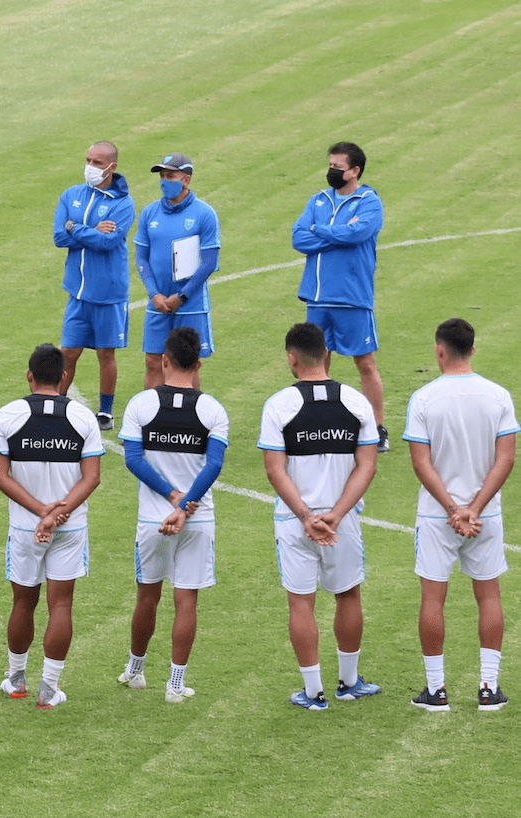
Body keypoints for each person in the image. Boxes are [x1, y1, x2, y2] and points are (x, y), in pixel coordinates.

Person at [259, 322, 381, 711]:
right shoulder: (357, 402)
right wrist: (337, 515)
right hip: (344, 523)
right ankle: (348, 682)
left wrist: (308, 516)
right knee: (348, 593)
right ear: (327, 355)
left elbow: (275, 470)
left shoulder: (279, 405)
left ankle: (313, 693)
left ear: (291, 358)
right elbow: (368, 466)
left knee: (301, 603)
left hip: (294, 523)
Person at [405, 318, 516, 712]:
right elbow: (506, 459)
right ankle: (489, 688)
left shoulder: (423, 399)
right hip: (486, 517)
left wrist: (453, 509)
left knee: (433, 597)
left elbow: (421, 463)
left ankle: (436, 691)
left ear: (440, 350)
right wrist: (475, 508)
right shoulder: (499, 396)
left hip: (438, 517)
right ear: (473, 348)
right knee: (489, 596)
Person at [0, 343, 103, 709]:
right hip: (69, 527)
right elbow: (92, 478)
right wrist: (57, 514)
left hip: (25, 528)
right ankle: (49, 690)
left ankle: (16, 680)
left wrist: (40, 513)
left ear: (29, 375)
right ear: (65, 376)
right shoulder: (84, 419)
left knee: (23, 602)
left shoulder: (7, 415)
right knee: (61, 604)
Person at [116, 328, 229, 704]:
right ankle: (176, 685)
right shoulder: (213, 409)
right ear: (198, 364)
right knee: (186, 600)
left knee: (147, 597)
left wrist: (171, 498)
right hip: (197, 519)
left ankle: (135, 671)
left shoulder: (140, 405)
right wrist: (186, 506)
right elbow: (213, 465)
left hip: (153, 520)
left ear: (164, 361)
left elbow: (133, 459)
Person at [291, 141, 388, 451]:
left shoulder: (369, 201)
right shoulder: (318, 200)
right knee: (315, 363)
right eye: (330, 165)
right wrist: (333, 234)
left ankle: (378, 427)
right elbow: (298, 237)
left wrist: (319, 231)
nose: (331, 171)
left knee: (365, 364)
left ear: (354, 171)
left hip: (352, 298)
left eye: (337, 167)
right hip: (318, 297)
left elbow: (357, 234)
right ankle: (318, 422)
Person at [53, 141, 135, 429]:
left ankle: (106, 412)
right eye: (88, 160)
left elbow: (108, 242)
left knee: (105, 353)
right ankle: (56, 403)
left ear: (112, 167)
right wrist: (88, 231)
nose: (90, 167)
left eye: (97, 163)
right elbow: (58, 238)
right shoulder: (71, 195)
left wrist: (75, 227)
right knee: (69, 352)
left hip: (109, 292)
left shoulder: (123, 203)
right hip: (77, 291)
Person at [135, 153, 222, 389]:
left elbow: (209, 262)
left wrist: (181, 296)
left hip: (190, 303)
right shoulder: (149, 213)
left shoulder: (204, 214)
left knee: (187, 364)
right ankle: (152, 417)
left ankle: (189, 420)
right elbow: (141, 257)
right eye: (162, 176)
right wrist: (154, 294)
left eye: (170, 176)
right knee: (153, 361)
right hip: (159, 301)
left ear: (186, 180)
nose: (164, 181)